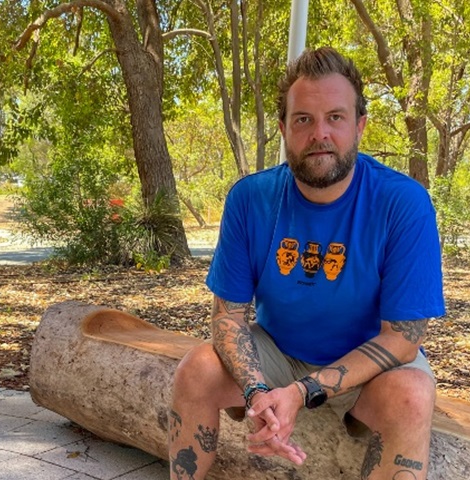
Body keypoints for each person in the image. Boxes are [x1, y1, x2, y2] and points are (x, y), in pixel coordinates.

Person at [168, 46, 445, 480]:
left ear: (359, 126)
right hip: (280, 349)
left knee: (412, 394)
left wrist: (303, 392)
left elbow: (403, 341)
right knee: (196, 369)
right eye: (303, 119)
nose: (320, 133)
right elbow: (227, 318)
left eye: (335, 117)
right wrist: (259, 390)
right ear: (283, 128)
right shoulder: (250, 198)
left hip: (368, 366)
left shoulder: (403, 203)